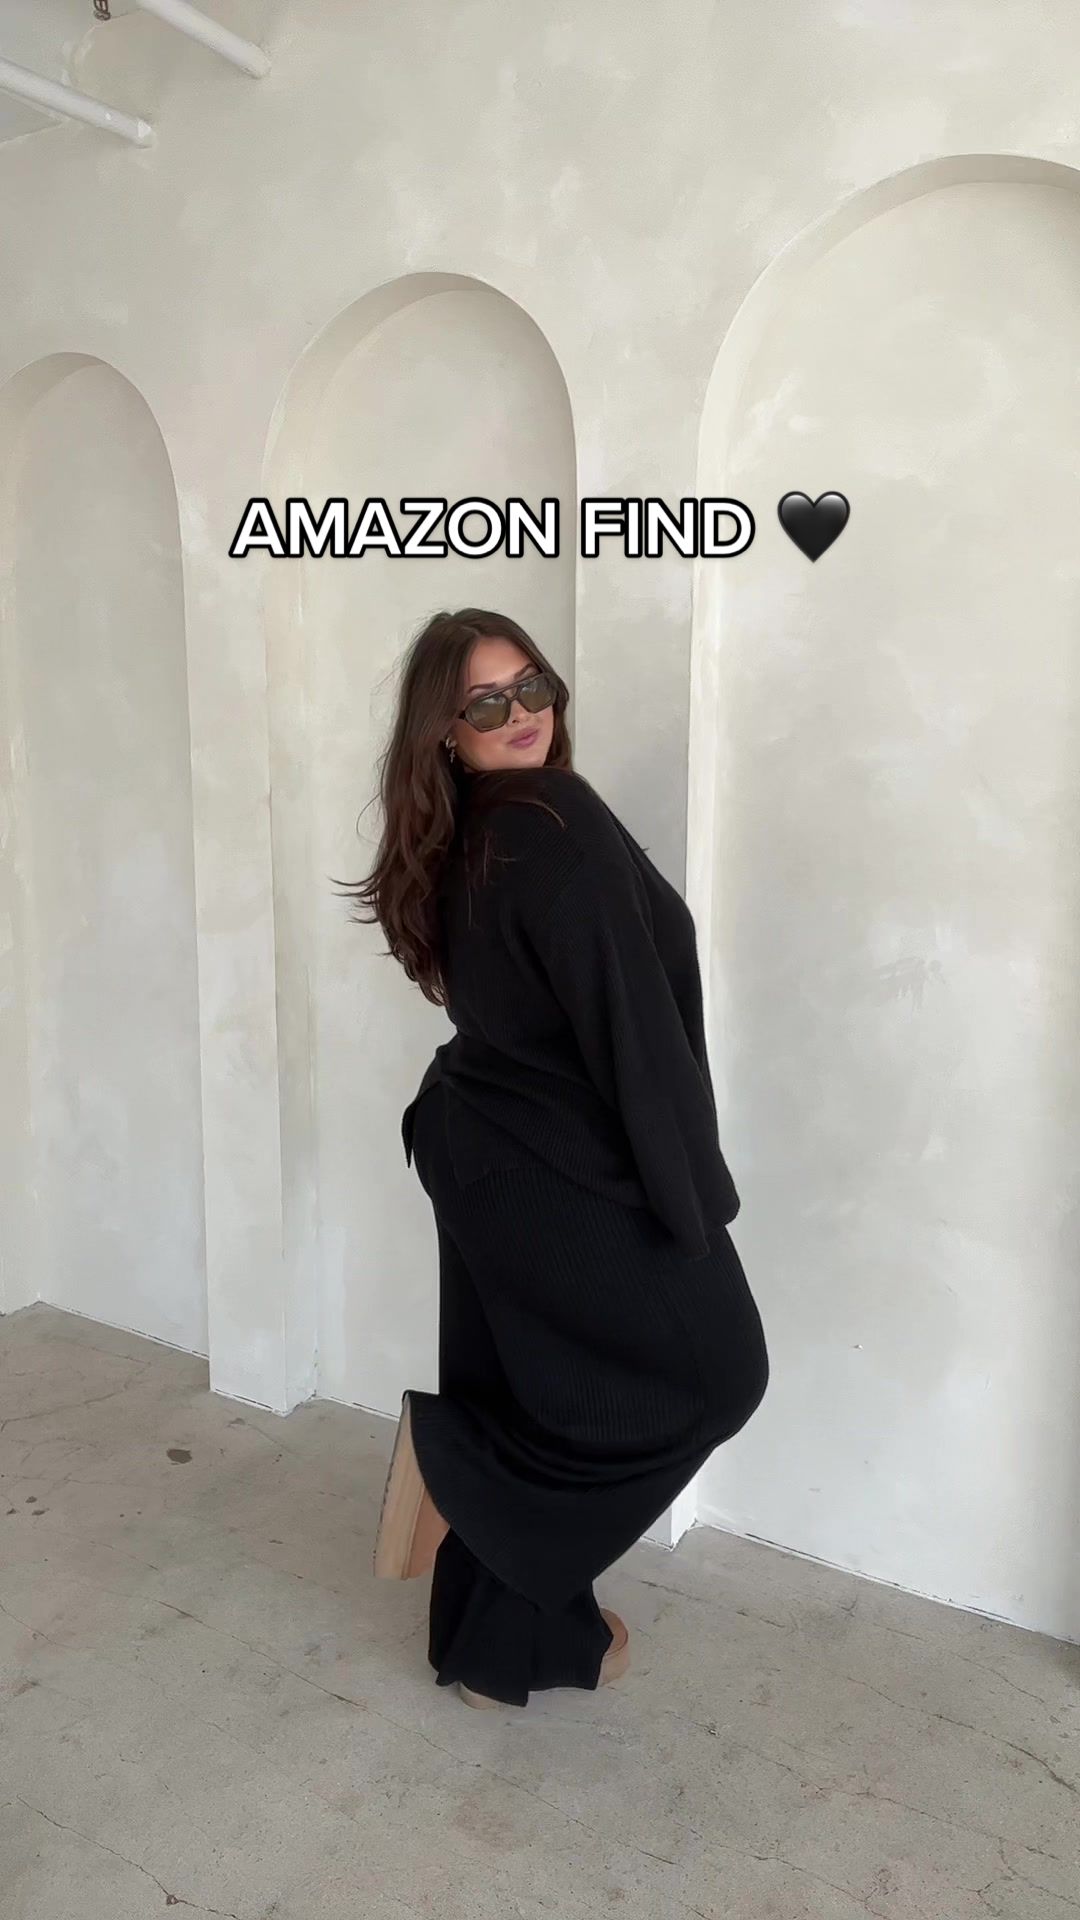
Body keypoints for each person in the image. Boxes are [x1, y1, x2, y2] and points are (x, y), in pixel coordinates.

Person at [346, 607, 769, 1709]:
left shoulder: (465, 829)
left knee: (535, 1398)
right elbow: (631, 1027)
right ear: (446, 732)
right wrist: (690, 1201)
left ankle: (502, 1650)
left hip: (475, 1144)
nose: (520, 713)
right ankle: (452, 1467)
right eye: (485, 703)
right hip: (547, 1161)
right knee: (719, 1375)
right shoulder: (550, 819)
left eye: (532, 686)